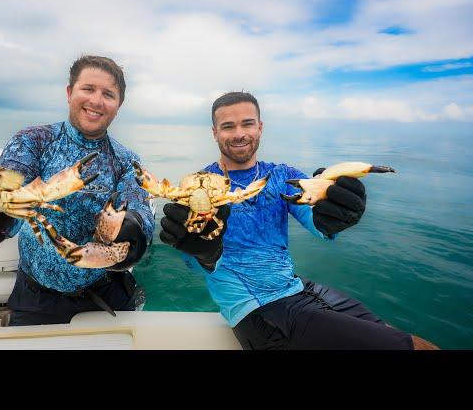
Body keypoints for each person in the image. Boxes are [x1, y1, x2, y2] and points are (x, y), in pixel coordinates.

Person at [160, 91, 439, 350]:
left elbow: (317, 220)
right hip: (259, 312)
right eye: (228, 126)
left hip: (297, 287)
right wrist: (204, 253)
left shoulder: (283, 175)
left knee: (386, 329)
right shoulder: (198, 186)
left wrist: (336, 216)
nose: (239, 134)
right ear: (214, 133)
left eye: (247, 123)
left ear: (260, 127)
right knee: (414, 347)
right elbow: (194, 261)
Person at [0, 55, 154, 325]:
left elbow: (140, 207)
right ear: (69, 92)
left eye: (108, 94)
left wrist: (136, 225)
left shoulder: (126, 160)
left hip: (105, 292)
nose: (96, 101)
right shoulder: (33, 141)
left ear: (118, 106)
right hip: (36, 297)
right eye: (88, 89)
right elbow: (13, 183)